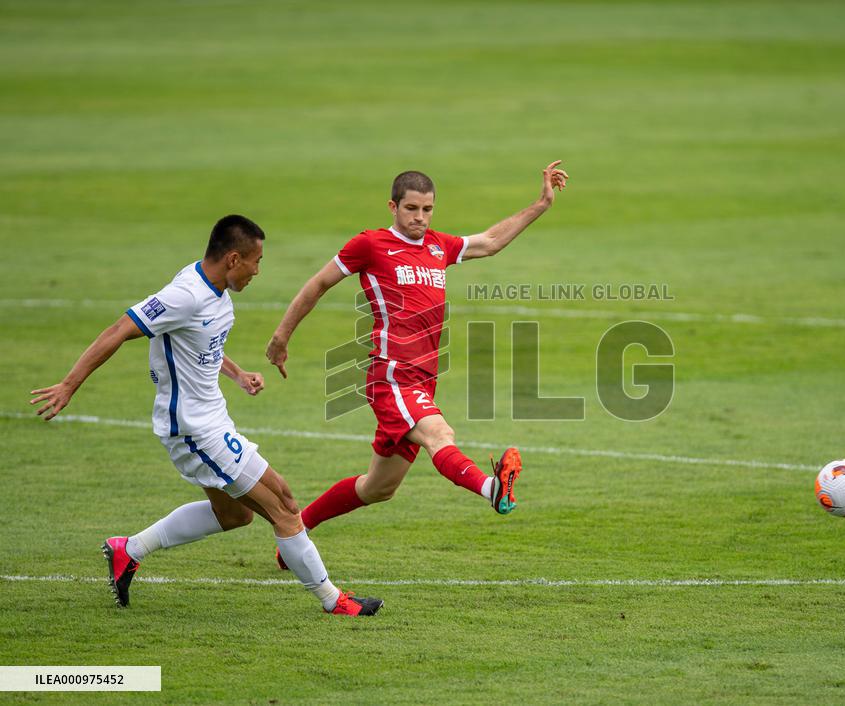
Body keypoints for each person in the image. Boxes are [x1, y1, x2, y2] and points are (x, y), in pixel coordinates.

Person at [29, 215, 382, 617]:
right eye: (255, 261)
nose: (257, 271)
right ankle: (333, 601)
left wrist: (238, 374)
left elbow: (200, 344)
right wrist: (69, 384)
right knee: (283, 505)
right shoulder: (185, 295)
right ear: (233, 259)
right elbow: (118, 330)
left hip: (212, 420)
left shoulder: (214, 290)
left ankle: (129, 549)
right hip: (194, 430)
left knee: (234, 515)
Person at [265, 162, 568, 565]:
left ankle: (295, 534)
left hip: (423, 380)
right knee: (440, 434)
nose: (420, 218)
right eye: (411, 209)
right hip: (392, 375)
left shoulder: (438, 246)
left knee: (377, 488)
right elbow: (318, 283)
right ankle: (492, 489)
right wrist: (281, 336)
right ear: (393, 206)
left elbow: (491, 241)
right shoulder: (370, 244)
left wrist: (541, 204)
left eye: (427, 209)